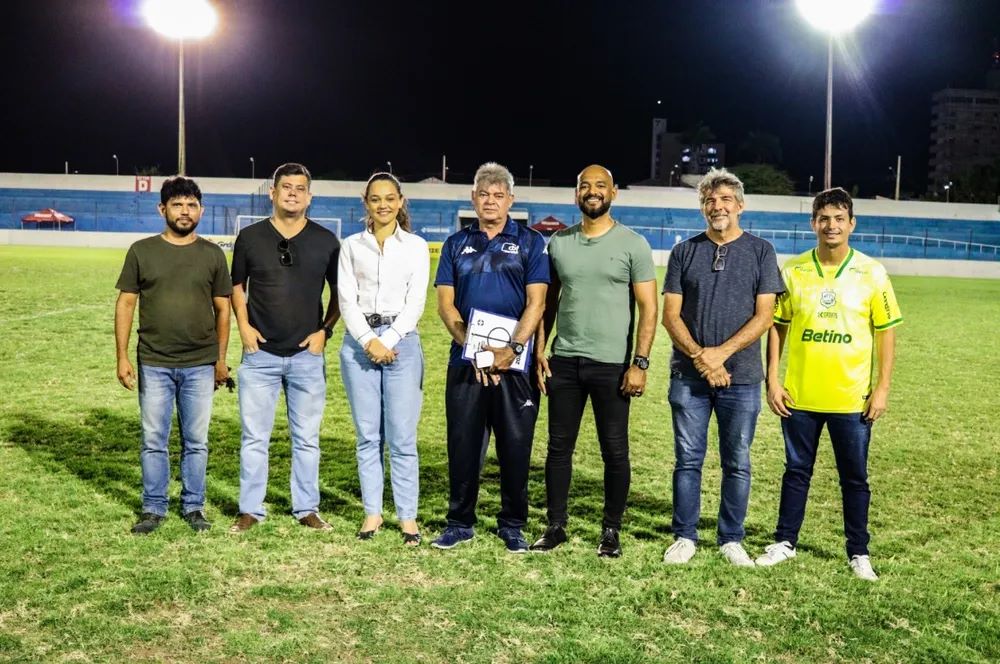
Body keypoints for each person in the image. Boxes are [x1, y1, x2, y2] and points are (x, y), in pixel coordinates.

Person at [755, 187, 901, 581]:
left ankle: (859, 551)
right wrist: (773, 378)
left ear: (851, 224)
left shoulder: (872, 273)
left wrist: (882, 388)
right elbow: (777, 328)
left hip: (852, 399)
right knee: (796, 471)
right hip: (799, 396)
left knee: (854, 477)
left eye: (839, 218)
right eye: (824, 218)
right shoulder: (794, 270)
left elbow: (886, 332)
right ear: (813, 223)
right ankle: (785, 541)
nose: (831, 225)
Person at [531, 164, 658, 558]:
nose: (592, 191)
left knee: (614, 451)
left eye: (600, 185)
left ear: (614, 193)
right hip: (565, 361)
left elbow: (649, 308)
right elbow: (546, 303)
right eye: (584, 185)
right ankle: (556, 525)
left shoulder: (633, 244)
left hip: (612, 365)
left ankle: (611, 530)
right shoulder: (559, 244)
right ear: (576, 194)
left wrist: (639, 363)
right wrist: (539, 348)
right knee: (558, 449)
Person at [661, 167, 784, 566]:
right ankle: (684, 535)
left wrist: (721, 354)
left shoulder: (761, 251)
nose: (718, 206)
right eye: (710, 200)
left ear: (741, 206)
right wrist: (702, 356)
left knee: (738, 462)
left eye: (726, 199)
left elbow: (765, 316)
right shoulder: (684, 252)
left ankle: (731, 537)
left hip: (743, 378)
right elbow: (671, 316)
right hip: (689, 377)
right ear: (702, 208)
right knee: (688, 459)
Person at [431, 162, 549, 553]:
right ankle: (459, 522)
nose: (491, 201)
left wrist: (512, 349)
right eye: (484, 194)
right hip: (466, 361)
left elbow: (537, 303)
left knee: (516, 445)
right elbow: (446, 306)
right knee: (463, 444)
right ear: (473, 199)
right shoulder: (454, 244)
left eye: (498, 195)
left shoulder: (532, 242)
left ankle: (513, 524)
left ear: (510, 200)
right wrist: (472, 347)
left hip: (515, 365)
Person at [114, 176, 232, 534]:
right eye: (178, 205)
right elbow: (126, 303)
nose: (185, 211)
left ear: (201, 210)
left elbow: (223, 310)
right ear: (162, 209)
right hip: (154, 362)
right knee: (154, 440)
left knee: (197, 441)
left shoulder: (212, 254)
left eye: (192, 205)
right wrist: (121, 356)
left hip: (199, 364)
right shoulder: (141, 251)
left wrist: (221, 360)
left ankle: (194, 506)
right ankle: (153, 508)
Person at [229, 163, 341, 533]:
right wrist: (244, 327)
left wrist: (325, 330)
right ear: (272, 193)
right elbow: (237, 286)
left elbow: (342, 296)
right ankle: (250, 508)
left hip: (306, 356)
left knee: (307, 439)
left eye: (300, 188)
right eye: (286, 187)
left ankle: (306, 507)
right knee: (254, 438)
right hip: (259, 355)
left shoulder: (326, 240)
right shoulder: (249, 237)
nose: (292, 193)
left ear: (309, 196)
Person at [338, 172, 430, 546]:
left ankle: (407, 517)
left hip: (402, 344)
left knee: (402, 438)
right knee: (367, 435)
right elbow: (346, 298)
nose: (383, 205)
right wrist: (367, 340)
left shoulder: (416, 246)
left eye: (390, 198)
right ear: (366, 202)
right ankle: (373, 512)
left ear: (401, 201)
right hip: (358, 346)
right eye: (376, 199)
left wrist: (388, 339)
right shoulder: (351, 246)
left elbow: (416, 303)